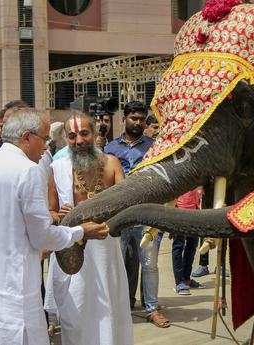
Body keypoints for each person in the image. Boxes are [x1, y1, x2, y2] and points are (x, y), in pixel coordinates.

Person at [0, 108, 109, 345]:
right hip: (11, 294)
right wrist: (81, 231)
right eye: (45, 139)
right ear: (27, 137)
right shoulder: (26, 170)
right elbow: (42, 237)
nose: (47, 147)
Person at [44, 112, 132, 345]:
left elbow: (126, 205)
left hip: (105, 249)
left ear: (94, 134)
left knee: (108, 309)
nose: (79, 141)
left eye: (84, 134)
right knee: (77, 309)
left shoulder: (111, 163)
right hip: (72, 250)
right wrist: (59, 215)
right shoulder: (57, 168)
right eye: (72, 136)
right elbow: (49, 212)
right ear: (66, 139)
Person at [104, 101, 170, 328]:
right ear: (125, 119)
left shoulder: (154, 147)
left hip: (147, 216)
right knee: (118, 264)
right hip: (119, 216)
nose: (138, 122)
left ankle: (151, 309)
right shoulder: (110, 149)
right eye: (134, 118)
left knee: (150, 264)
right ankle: (119, 307)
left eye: (142, 119)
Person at [172, 188, 203, 295]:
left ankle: (186, 278)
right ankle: (179, 281)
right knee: (179, 246)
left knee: (192, 245)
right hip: (181, 209)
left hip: (195, 208)